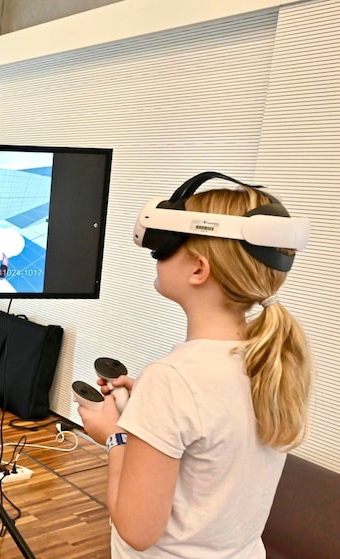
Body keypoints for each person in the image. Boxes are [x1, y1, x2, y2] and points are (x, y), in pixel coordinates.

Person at [79, 183, 312, 558]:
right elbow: (218, 428)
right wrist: (148, 414)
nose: (155, 257)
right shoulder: (273, 360)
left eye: (165, 246)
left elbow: (137, 530)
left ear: (199, 269)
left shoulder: (173, 379)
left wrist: (115, 437)